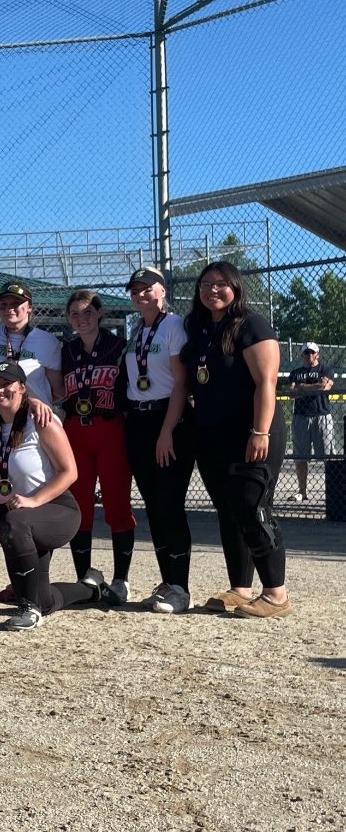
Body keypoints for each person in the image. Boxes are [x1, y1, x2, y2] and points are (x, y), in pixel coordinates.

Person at [183, 261, 291, 618]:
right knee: (228, 511)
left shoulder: (252, 325)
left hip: (252, 432)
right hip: (214, 435)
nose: (212, 290)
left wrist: (260, 431)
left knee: (252, 506)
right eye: (205, 284)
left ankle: (276, 594)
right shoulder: (198, 329)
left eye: (220, 284)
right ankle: (240, 589)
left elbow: (266, 383)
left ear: (236, 287)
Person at [0, 362, 119, 630]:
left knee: (13, 523)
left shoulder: (40, 418)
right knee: (43, 599)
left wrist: (33, 501)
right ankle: (92, 589)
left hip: (56, 509)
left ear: (22, 388)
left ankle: (29, 610)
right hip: (21, 519)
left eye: (7, 384)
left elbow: (70, 472)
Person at [123, 267, 195, 614]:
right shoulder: (137, 329)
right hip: (139, 419)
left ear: (162, 290)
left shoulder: (174, 326)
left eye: (146, 288)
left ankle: (181, 587)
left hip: (167, 418)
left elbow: (181, 382)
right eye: (134, 290)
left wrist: (167, 430)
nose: (140, 295)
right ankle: (168, 581)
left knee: (169, 504)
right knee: (153, 506)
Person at [61, 290, 136, 599]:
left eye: (88, 312)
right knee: (79, 507)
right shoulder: (66, 351)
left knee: (117, 505)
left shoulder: (119, 346)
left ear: (100, 313)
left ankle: (121, 580)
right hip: (76, 433)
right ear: (68, 319)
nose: (82, 318)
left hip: (110, 429)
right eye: (75, 314)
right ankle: (84, 579)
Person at [0, 281, 63, 404]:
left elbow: (57, 390)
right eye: (3, 304)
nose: (9, 309)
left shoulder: (47, 341)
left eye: (16, 303)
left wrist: (36, 403)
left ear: (29, 307)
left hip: (34, 413)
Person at [288, 341, 335, 502]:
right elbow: (291, 393)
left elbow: (325, 387)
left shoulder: (325, 369)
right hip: (301, 417)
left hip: (322, 416)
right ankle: (302, 492)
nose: (309, 355)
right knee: (300, 457)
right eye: (306, 353)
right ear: (302, 355)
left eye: (312, 352)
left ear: (317, 354)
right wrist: (314, 387)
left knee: (329, 457)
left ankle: (333, 491)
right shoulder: (296, 373)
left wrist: (302, 387)